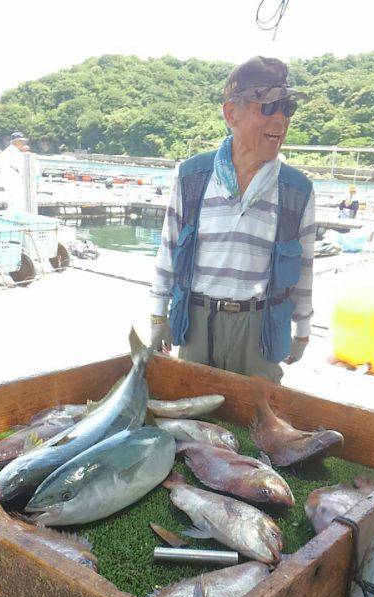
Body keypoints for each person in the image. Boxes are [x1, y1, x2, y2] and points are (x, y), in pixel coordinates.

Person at [149, 56, 315, 384]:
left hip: (261, 327)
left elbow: (305, 268)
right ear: (231, 113)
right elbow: (167, 249)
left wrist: (304, 330)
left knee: (254, 423)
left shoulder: (298, 191)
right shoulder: (191, 176)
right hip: (198, 322)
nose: (280, 119)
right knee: (196, 415)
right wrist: (158, 317)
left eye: (287, 108)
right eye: (267, 107)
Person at [0, 131, 33, 212]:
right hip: (14, 179)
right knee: (18, 202)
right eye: (22, 141)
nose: (24, 143)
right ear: (16, 141)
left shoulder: (7, 151)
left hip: (6, 178)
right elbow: (23, 169)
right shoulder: (16, 153)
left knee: (11, 201)